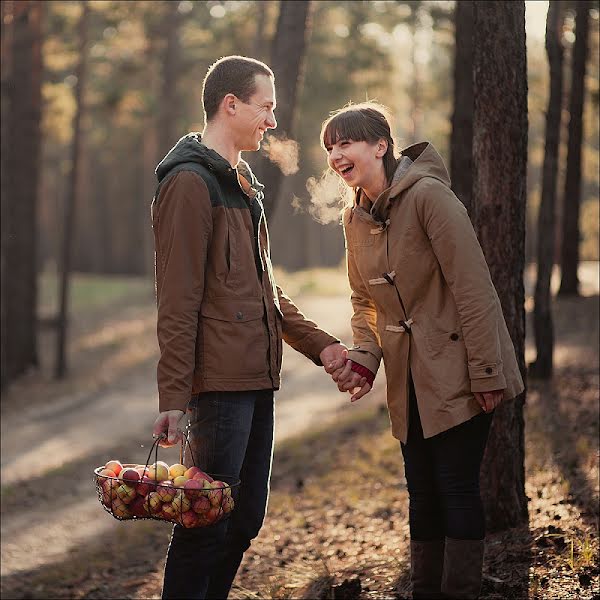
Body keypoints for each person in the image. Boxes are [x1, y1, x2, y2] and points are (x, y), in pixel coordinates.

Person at [150, 55, 348, 600]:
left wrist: (323, 347)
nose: (272, 121)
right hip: (217, 387)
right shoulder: (190, 183)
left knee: (243, 521)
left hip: (257, 378)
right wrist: (174, 395)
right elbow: (177, 298)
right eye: (266, 107)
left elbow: (265, 290)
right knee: (204, 523)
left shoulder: (243, 184)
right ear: (229, 104)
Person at [321, 102, 524, 599]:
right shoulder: (354, 219)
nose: (336, 154)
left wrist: (487, 370)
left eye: (346, 142)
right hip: (408, 379)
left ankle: (461, 591)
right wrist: (365, 360)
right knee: (422, 495)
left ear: (381, 146)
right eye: (329, 147)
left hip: (460, 369)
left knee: (455, 490)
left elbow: (474, 288)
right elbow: (363, 300)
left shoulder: (431, 197)